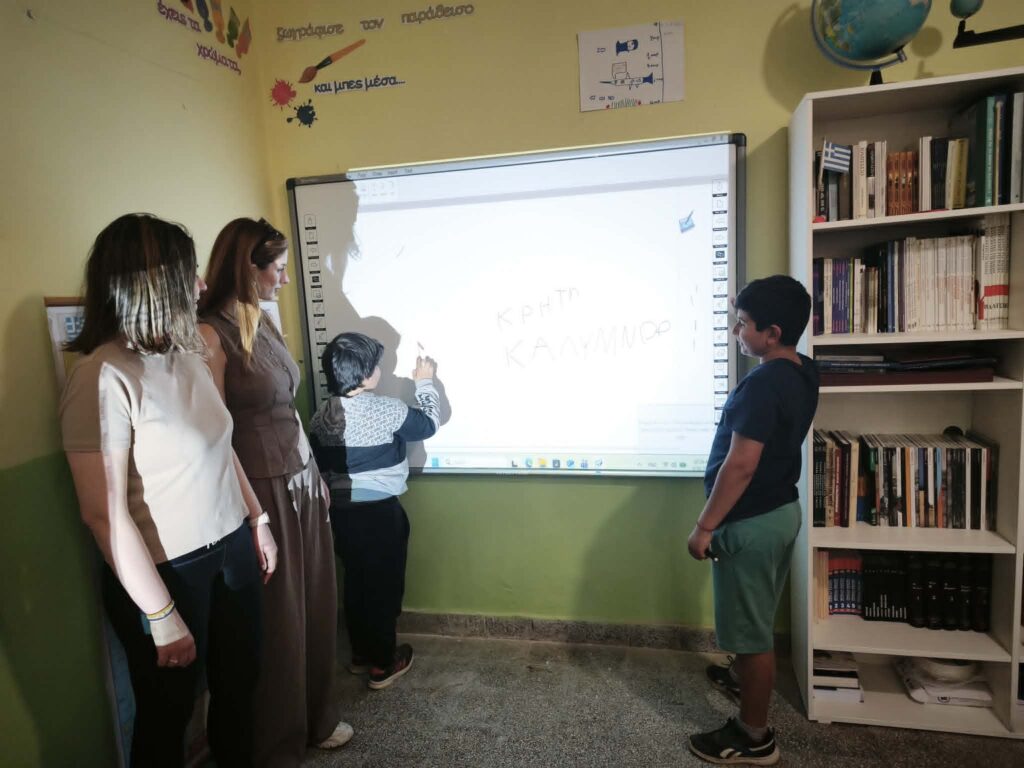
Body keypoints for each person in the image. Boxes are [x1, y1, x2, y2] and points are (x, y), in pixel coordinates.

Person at [60, 213, 277, 768]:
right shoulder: (102, 375)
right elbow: (103, 515)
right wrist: (159, 614)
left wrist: (257, 521)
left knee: (240, 686)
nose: (200, 285)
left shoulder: (188, 354)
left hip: (232, 544)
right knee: (167, 715)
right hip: (169, 571)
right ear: (150, 284)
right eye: (188, 273)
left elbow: (221, 446)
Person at [197, 217, 352, 766]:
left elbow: (288, 407)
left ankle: (316, 718)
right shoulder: (210, 334)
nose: (285, 280)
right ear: (248, 268)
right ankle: (278, 744)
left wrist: (317, 475)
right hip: (260, 485)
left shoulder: (261, 319)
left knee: (317, 600)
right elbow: (215, 434)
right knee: (281, 616)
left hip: (302, 475)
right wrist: (253, 515)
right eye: (278, 269)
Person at [685, 275, 819, 766]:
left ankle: (753, 735)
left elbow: (740, 465)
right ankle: (745, 678)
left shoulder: (762, 385)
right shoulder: (803, 370)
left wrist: (705, 527)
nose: (736, 331)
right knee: (756, 618)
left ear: (772, 333)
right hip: (782, 511)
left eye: (742, 324)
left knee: (751, 636)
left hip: (751, 523)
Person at [309, 332, 440, 690]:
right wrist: (424, 382)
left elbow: (318, 461)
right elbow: (428, 424)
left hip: (342, 514)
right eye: (377, 365)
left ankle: (361, 654)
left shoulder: (322, 415)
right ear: (366, 376)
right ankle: (383, 664)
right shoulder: (386, 409)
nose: (381, 369)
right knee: (384, 586)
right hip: (380, 513)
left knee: (357, 582)